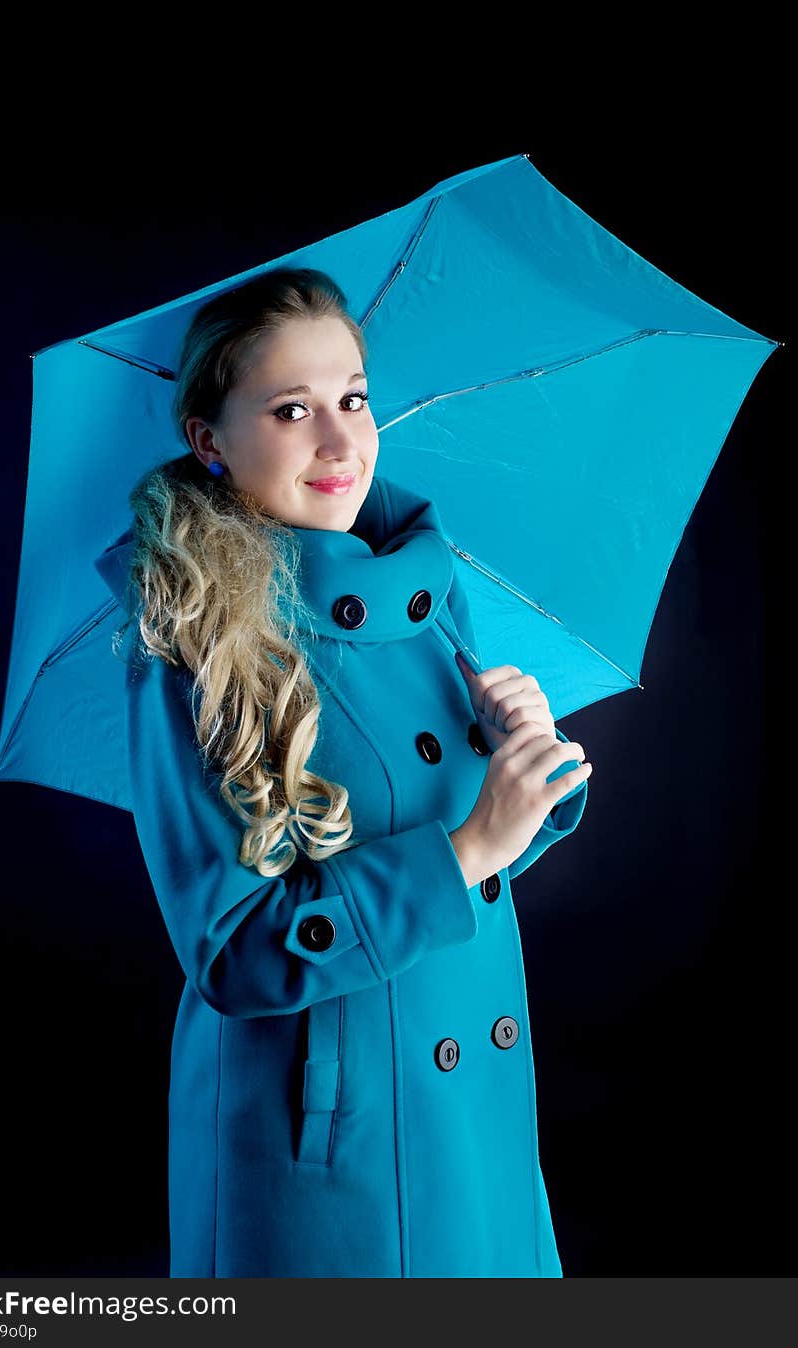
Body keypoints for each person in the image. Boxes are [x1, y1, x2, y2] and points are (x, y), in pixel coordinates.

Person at [93, 265, 593, 1278]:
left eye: (353, 398)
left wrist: (525, 772)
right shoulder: (190, 642)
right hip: (330, 1143)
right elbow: (234, 953)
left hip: (473, 1116)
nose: (340, 441)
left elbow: (473, 860)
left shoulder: (424, 583)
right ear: (208, 440)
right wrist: (465, 849)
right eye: (291, 409)